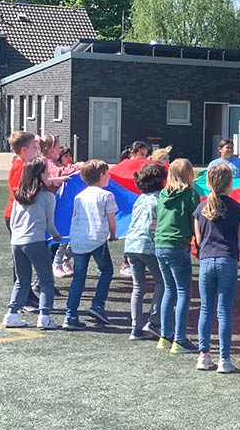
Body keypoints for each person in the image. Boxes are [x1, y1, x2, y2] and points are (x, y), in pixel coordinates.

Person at [193, 164, 240, 373]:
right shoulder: (237, 209)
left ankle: (203, 356)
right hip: (228, 260)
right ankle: (224, 359)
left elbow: (198, 241)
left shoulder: (201, 209)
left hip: (206, 261)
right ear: (230, 183)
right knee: (224, 311)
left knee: (205, 309)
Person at [3, 158, 62, 330]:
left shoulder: (19, 196)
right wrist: (56, 236)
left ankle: (11, 314)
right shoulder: (48, 197)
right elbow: (50, 225)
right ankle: (44, 316)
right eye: (46, 172)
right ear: (40, 174)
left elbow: (13, 222)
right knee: (46, 281)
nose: (49, 174)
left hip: (16, 242)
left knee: (21, 280)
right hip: (35, 241)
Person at [64, 160, 117, 330]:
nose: (109, 176)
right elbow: (111, 220)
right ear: (101, 175)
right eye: (107, 173)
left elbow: (75, 216)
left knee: (79, 278)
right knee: (107, 270)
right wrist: (113, 235)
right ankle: (97, 305)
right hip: (97, 239)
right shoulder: (106, 195)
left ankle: (70, 315)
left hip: (79, 239)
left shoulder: (80, 196)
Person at [155, 158, 201, 353]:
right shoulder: (191, 195)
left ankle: (165, 336)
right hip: (177, 245)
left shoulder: (163, 194)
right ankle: (180, 339)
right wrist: (198, 244)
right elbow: (194, 222)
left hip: (160, 245)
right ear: (189, 174)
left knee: (169, 289)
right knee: (183, 292)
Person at [124, 162, 168, 341]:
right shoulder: (159, 199)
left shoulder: (140, 199)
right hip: (148, 245)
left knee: (138, 286)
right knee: (162, 281)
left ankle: (135, 327)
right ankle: (153, 321)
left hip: (131, 245)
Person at [5, 131, 41, 313]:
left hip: (21, 216)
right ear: (24, 150)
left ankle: (27, 294)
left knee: (26, 259)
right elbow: (19, 192)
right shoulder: (20, 167)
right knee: (21, 261)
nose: (37, 150)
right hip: (16, 217)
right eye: (34, 147)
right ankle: (22, 298)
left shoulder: (24, 164)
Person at [39, 135, 81, 278]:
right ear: (52, 149)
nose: (59, 148)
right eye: (57, 146)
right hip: (49, 208)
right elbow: (60, 173)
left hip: (52, 207)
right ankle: (42, 280)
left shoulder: (51, 162)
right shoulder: (47, 163)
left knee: (54, 241)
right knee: (51, 243)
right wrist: (78, 167)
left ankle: (44, 277)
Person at [119, 141, 150, 277]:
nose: (144, 157)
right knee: (130, 232)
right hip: (129, 205)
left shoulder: (143, 166)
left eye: (145, 155)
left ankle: (138, 263)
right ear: (133, 152)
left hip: (138, 204)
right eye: (142, 154)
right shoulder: (125, 166)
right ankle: (126, 263)